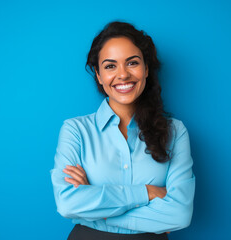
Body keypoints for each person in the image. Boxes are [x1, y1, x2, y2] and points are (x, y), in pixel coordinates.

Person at [50, 21, 195, 240]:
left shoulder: (175, 131)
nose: (123, 75)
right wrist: (147, 192)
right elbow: (68, 203)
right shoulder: (75, 130)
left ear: (146, 69)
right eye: (110, 66)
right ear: (98, 75)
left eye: (132, 63)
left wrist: (96, 209)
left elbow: (179, 214)